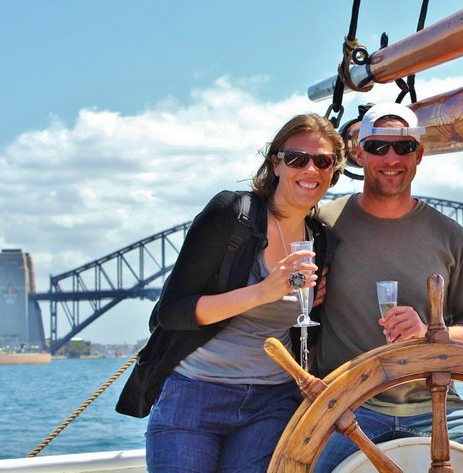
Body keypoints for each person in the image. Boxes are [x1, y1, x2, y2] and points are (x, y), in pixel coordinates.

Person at [312, 102, 463, 473]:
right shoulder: (322, 223)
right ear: (359, 153)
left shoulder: (450, 236)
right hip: (348, 406)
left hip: (439, 407)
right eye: (379, 147)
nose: (391, 158)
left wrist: (429, 332)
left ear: (420, 154)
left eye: (404, 147)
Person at [116, 113, 345, 472]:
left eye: (323, 161)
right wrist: (263, 291)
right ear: (276, 162)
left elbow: (303, 329)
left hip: (271, 404)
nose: (310, 169)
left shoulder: (321, 239)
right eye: (297, 158)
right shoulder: (231, 214)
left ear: (334, 169)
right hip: (195, 395)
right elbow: (172, 311)